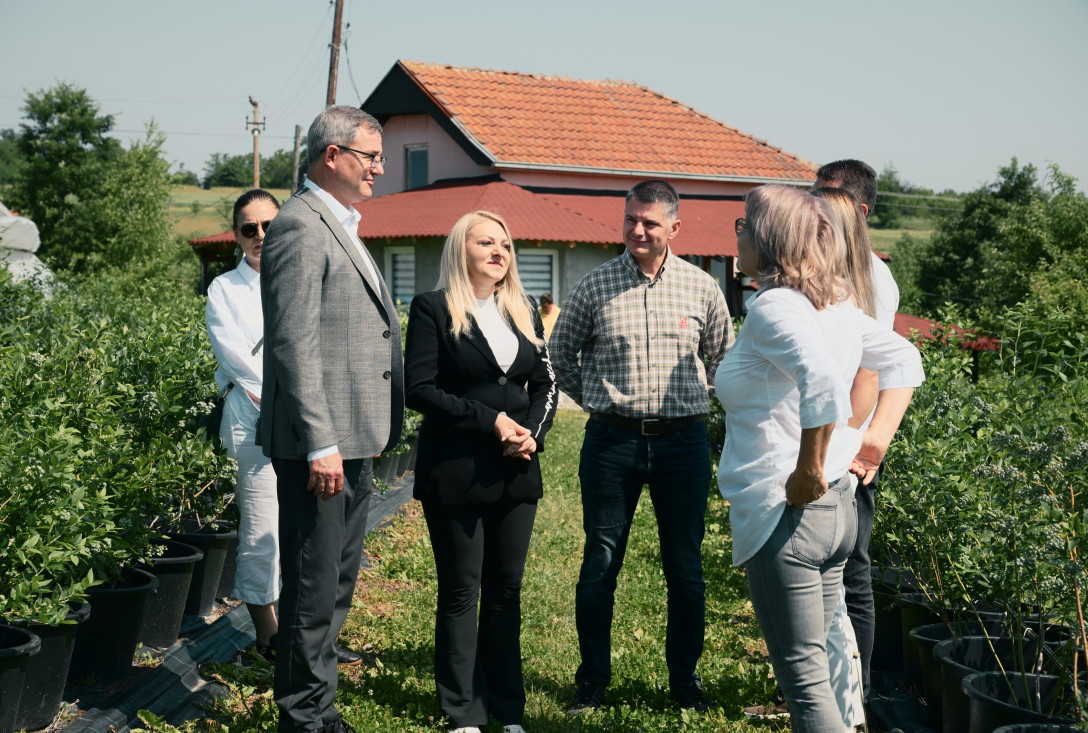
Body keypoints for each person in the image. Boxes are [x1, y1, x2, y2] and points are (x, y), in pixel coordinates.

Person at [715, 184, 924, 732]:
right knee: (821, 674)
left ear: (768, 238)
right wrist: (873, 439)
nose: (737, 235)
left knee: (805, 683)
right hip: (836, 513)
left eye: (743, 225)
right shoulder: (833, 306)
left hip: (788, 514)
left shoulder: (774, 306)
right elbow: (905, 360)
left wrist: (809, 466)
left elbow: (825, 381)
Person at [548, 180, 734, 716]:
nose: (637, 230)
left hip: (683, 444)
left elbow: (725, 362)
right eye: (631, 219)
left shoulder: (702, 289)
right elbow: (558, 358)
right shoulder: (594, 285)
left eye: (650, 223)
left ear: (675, 227)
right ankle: (592, 680)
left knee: (686, 566)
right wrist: (600, 404)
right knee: (600, 560)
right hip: (613, 443)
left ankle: (685, 681)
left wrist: (708, 404)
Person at [259, 106, 404, 733]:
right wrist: (320, 442)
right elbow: (294, 344)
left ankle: (318, 708)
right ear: (331, 156)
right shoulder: (300, 225)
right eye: (368, 155)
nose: (379, 166)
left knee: (336, 583)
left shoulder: (340, 222)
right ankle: (305, 718)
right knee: (314, 590)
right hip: (321, 447)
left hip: (354, 441)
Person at [405, 210, 557, 733]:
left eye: (506, 245)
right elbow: (419, 389)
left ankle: (508, 709)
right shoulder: (432, 308)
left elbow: (545, 383)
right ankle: (462, 711)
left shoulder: (524, 311)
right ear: (460, 250)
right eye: (486, 242)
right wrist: (491, 421)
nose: (499, 252)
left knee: (505, 591)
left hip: (516, 470)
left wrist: (532, 432)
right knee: (461, 590)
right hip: (456, 470)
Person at [813, 160, 900, 692]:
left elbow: (871, 372)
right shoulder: (818, 266)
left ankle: (857, 693)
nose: (814, 206)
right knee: (815, 570)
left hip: (846, 449)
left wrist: (845, 445)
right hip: (817, 439)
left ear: (857, 210)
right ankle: (812, 686)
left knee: (851, 568)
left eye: (827, 197)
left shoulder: (871, 277)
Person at [205, 188, 281, 657]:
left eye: (268, 225)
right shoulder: (224, 289)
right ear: (236, 235)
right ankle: (269, 640)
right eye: (249, 228)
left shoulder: (302, 277)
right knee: (260, 530)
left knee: (308, 533)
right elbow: (235, 356)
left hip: (310, 425)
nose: (260, 235)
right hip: (254, 423)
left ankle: (308, 638)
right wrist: (281, 398)